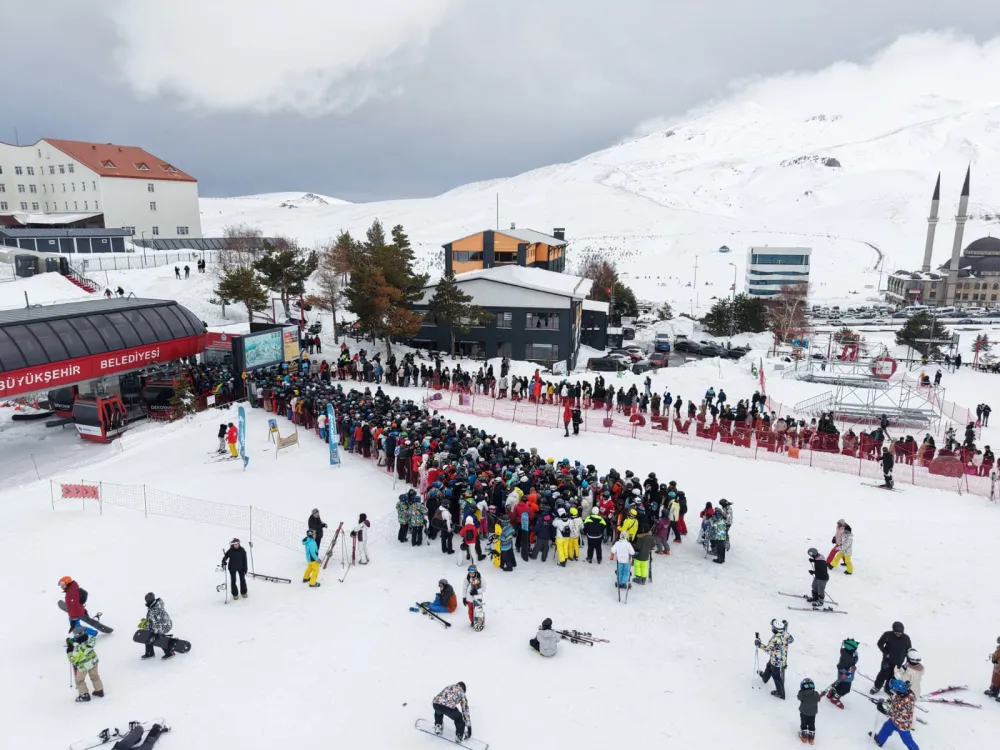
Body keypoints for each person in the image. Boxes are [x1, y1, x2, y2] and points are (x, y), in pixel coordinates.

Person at [872, 680, 919, 749]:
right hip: (894, 720)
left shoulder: (904, 703)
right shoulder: (905, 692)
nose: (893, 691)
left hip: (902, 724)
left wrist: (882, 709)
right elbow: (894, 700)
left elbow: (892, 713)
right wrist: (887, 701)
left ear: (899, 691)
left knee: (907, 740)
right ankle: (879, 740)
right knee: (886, 728)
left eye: (894, 690)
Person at [872, 622, 912, 694]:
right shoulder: (887, 635)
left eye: (900, 633)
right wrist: (886, 653)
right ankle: (876, 686)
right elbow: (879, 643)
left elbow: (909, 650)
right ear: (893, 630)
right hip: (887, 660)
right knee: (883, 674)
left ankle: (888, 688)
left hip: (898, 662)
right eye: (897, 632)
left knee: (893, 676)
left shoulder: (906, 638)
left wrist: (908, 661)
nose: (899, 634)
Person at [757, 618, 793, 699]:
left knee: (776, 677)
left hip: (776, 661)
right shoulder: (785, 635)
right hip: (781, 658)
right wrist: (785, 630)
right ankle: (765, 678)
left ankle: (780, 693)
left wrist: (759, 644)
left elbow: (767, 649)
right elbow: (791, 639)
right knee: (769, 666)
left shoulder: (774, 639)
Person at [67, 625, 104, 702]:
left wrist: (69, 651)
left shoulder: (77, 649)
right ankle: (99, 690)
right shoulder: (90, 640)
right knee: (95, 676)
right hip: (93, 662)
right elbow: (85, 643)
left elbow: (73, 659)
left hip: (83, 666)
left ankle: (84, 695)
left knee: (79, 680)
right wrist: (74, 642)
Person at [825, 638, 859, 707]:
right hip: (846, 676)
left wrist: (855, 656)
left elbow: (853, 662)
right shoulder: (848, 657)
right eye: (855, 649)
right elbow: (840, 666)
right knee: (845, 689)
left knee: (839, 684)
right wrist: (846, 673)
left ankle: (831, 693)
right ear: (851, 649)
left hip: (845, 675)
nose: (856, 650)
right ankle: (835, 698)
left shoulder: (846, 653)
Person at [140, 593, 174, 660]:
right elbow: (153, 620)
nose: (146, 602)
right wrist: (147, 623)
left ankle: (169, 653)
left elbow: (158, 623)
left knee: (158, 638)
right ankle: (150, 653)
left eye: (147, 600)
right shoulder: (154, 606)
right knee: (148, 636)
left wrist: (155, 633)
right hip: (162, 624)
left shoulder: (155, 609)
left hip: (164, 625)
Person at [797, 677, 819, 744]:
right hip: (813, 713)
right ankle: (811, 738)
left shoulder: (802, 693)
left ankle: (804, 736)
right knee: (812, 723)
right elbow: (818, 699)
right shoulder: (816, 693)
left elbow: (799, 697)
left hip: (804, 712)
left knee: (804, 723)